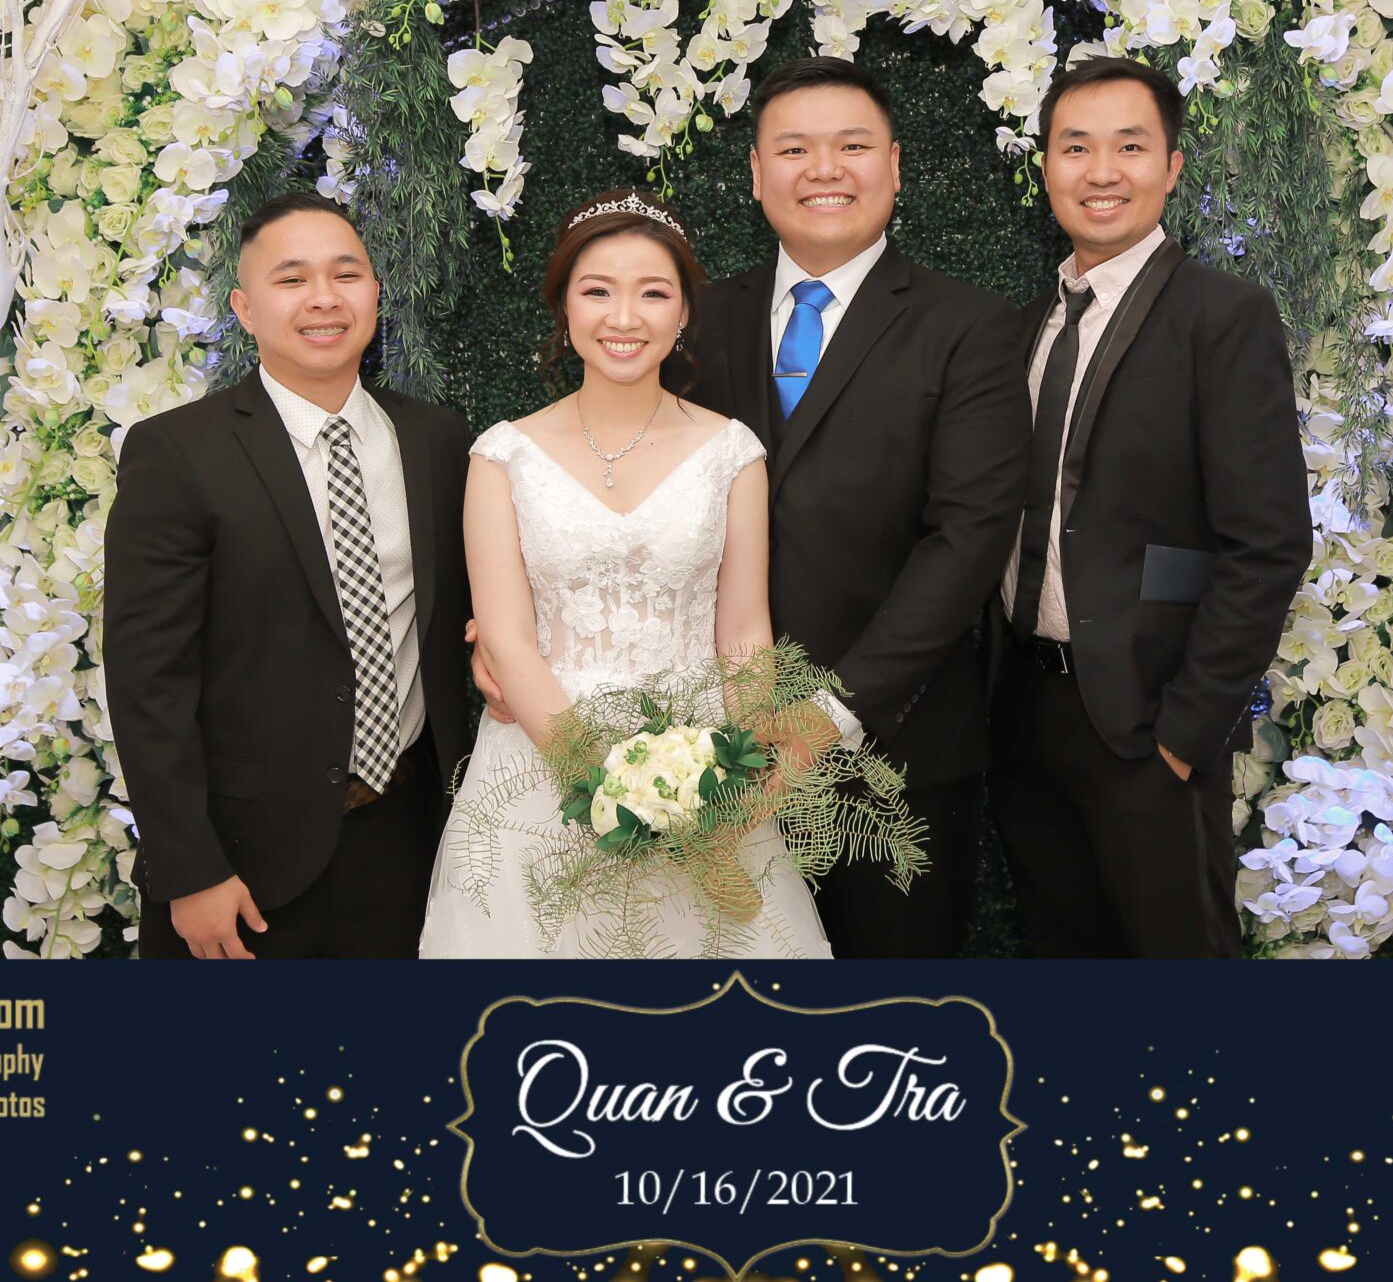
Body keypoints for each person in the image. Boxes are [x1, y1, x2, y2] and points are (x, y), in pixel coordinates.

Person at [420, 189, 859, 958]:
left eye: (653, 293)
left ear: (683, 312)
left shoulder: (733, 452)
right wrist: (608, 789)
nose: (624, 317)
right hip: (540, 771)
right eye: (597, 291)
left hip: (698, 770)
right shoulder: (502, 455)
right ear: (564, 307)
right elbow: (508, 640)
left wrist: (732, 778)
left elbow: (743, 630)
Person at [684, 56, 1031, 958]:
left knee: (893, 1013)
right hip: (712, 758)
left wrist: (829, 712)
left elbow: (968, 538)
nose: (824, 169)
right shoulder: (692, 323)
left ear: (896, 166)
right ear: (756, 173)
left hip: (898, 758)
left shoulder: (971, 328)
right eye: (795, 149)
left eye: (852, 146)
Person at [987, 55, 1314, 958]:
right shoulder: (1027, 325)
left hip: (1147, 722)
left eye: (1129, 147)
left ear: (1170, 167)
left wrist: (1185, 731)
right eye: (1075, 147)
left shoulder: (1223, 316)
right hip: (1025, 712)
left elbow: (1269, 543)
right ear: (1046, 168)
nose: (1101, 171)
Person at [105, 191, 473, 958]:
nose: (324, 298)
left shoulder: (435, 441)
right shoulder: (178, 453)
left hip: (410, 843)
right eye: (292, 278)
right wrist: (190, 868)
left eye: (346, 274)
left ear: (375, 293)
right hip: (241, 864)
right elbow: (147, 681)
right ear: (244, 308)